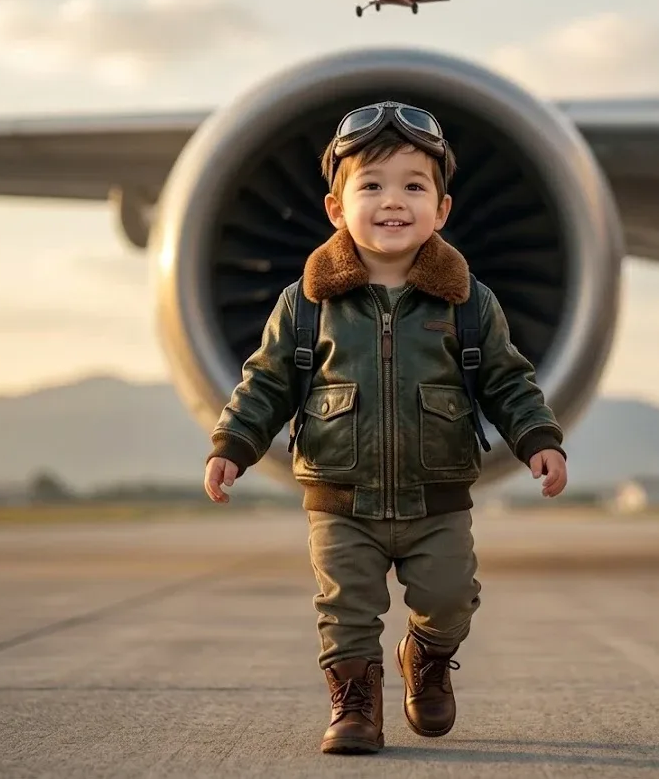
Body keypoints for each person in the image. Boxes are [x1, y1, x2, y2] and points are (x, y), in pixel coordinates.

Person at [203, 100, 568, 755]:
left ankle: (425, 658)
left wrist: (538, 439)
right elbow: (266, 382)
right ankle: (355, 706)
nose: (391, 201)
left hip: (437, 499)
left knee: (452, 597)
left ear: (442, 210)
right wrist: (233, 444)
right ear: (337, 210)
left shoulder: (470, 304)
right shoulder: (307, 303)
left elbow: (508, 381)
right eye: (370, 186)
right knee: (345, 611)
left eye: (413, 186)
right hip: (341, 498)